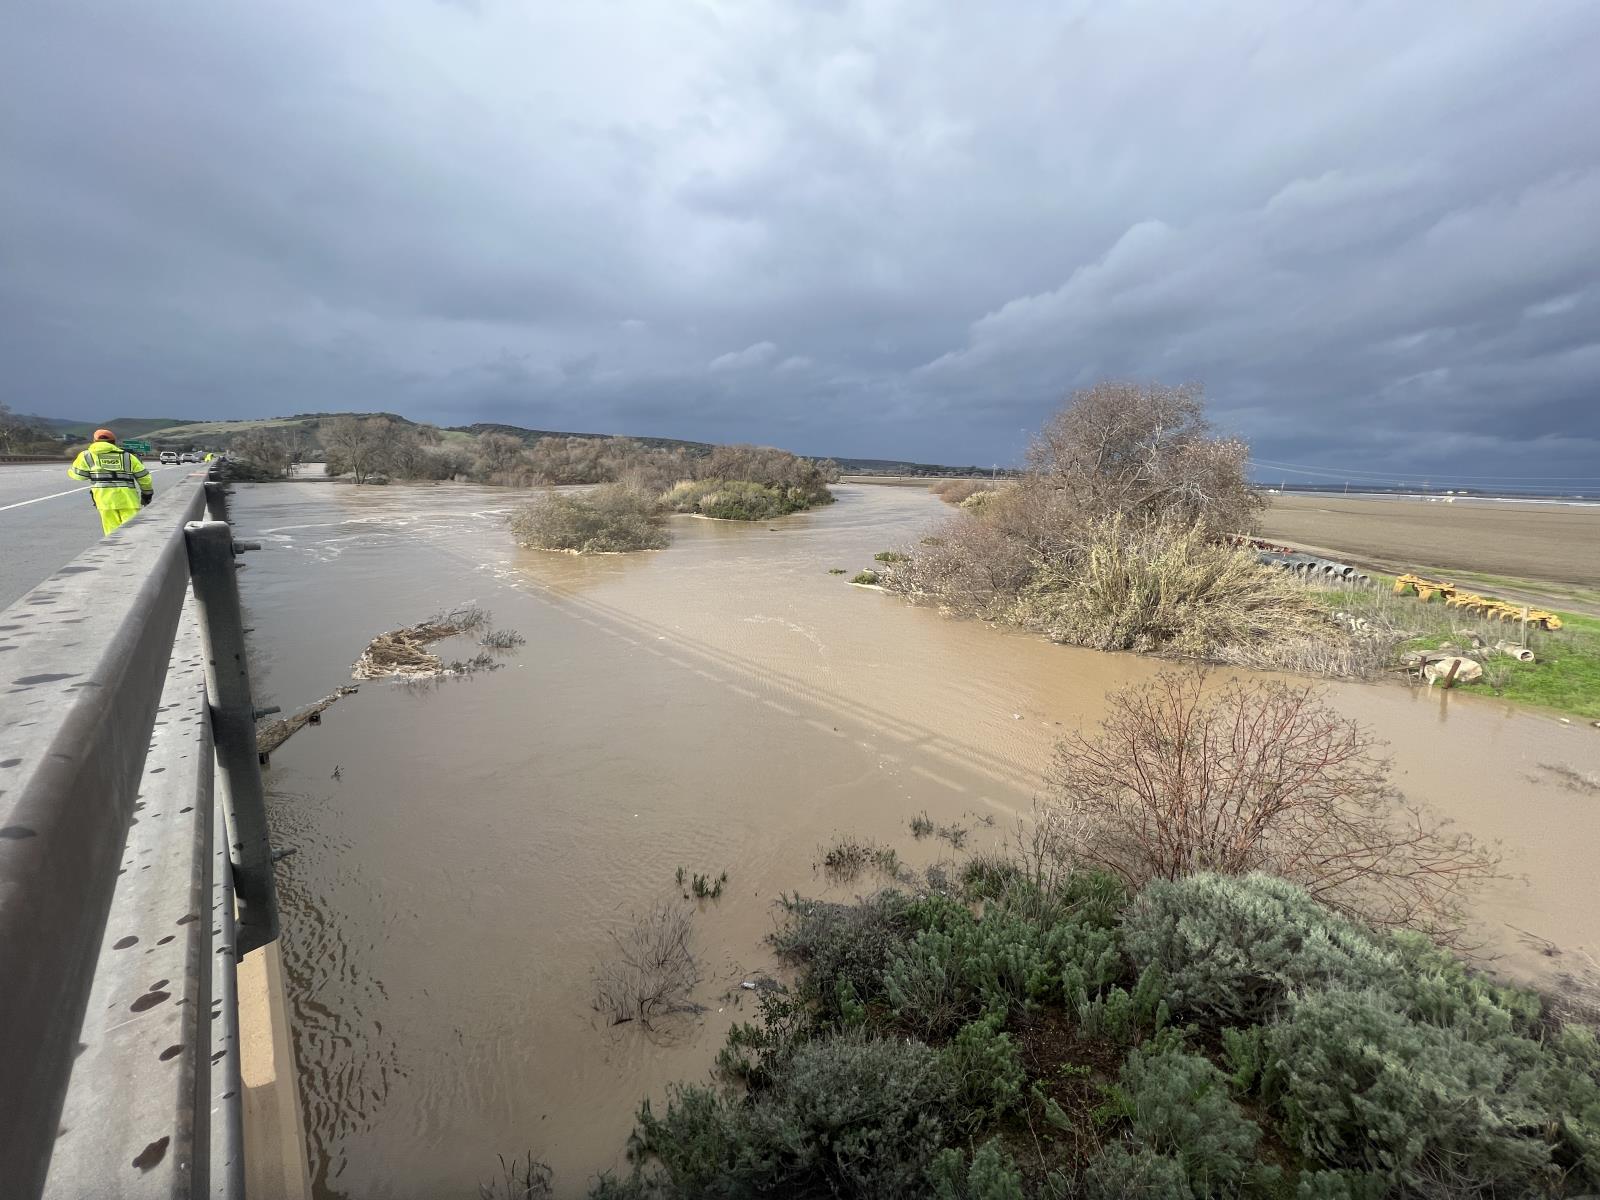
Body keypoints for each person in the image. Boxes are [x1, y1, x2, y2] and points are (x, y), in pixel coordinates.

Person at [68, 428, 153, 535]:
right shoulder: (127, 456)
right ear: (113, 443)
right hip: (128, 500)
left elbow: (79, 476)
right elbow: (144, 477)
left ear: (95, 441)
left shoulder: (86, 456)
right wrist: (147, 494)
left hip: (104, 501)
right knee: (133, 532)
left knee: (112, 534)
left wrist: (70, 472)